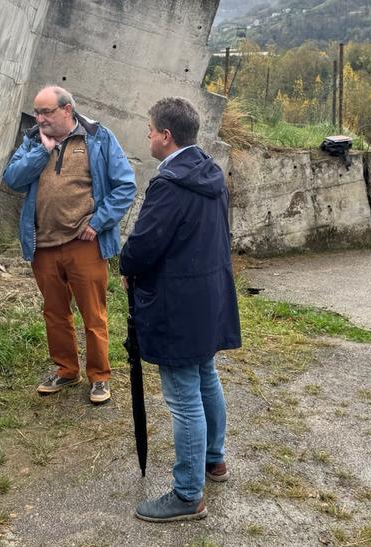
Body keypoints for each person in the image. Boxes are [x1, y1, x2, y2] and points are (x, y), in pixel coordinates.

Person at [119, 97, 241, 523]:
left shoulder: (170, 183)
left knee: (184, 396)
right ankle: (214, 460)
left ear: (166, 136)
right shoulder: (210, 172)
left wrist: (126, 265)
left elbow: (145, 242)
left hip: (179, 304)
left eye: (151, 130)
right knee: (205, 375)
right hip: (208, 296)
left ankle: (188, 494)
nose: (148, 136)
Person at [2, 85, 136, 405]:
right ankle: (66, 370)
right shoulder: (33, 140)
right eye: (37, 112)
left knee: (93, 314)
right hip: (44, 245)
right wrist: (42, 151)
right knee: (55, 312)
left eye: (46, 112)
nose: (40, 118)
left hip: (83, 243)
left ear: (67, 110)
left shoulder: (98, 137)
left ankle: (99, 376)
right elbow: (13, 179)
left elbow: (125, 186)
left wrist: (98, 222)